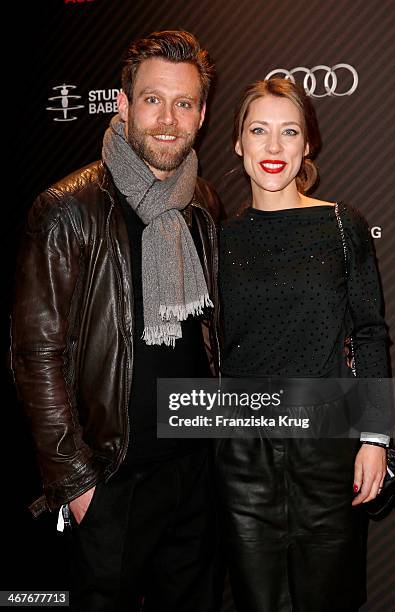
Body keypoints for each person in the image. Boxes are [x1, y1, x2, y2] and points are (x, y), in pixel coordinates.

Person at [11, 30, 221, 612]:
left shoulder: (201, 200)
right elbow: (36, 357)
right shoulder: (67, 210)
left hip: (195, 470)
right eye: (153, 100)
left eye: (184, 104)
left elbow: (206, 335)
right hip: (114, 478)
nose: (168, 120)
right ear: (123, 105)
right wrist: (78, 485)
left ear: (202, 114)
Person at [216, 78, 392, 611]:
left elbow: (369, 332)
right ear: (238, 144)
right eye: (259, 131)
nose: (273, 148)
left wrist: (376, 438)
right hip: (241, 452)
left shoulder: (343, 225)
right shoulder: (217, 238)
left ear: (307, 144)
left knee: (329, 598)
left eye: (288, 132)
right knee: (258, 600)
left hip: (328, 448)